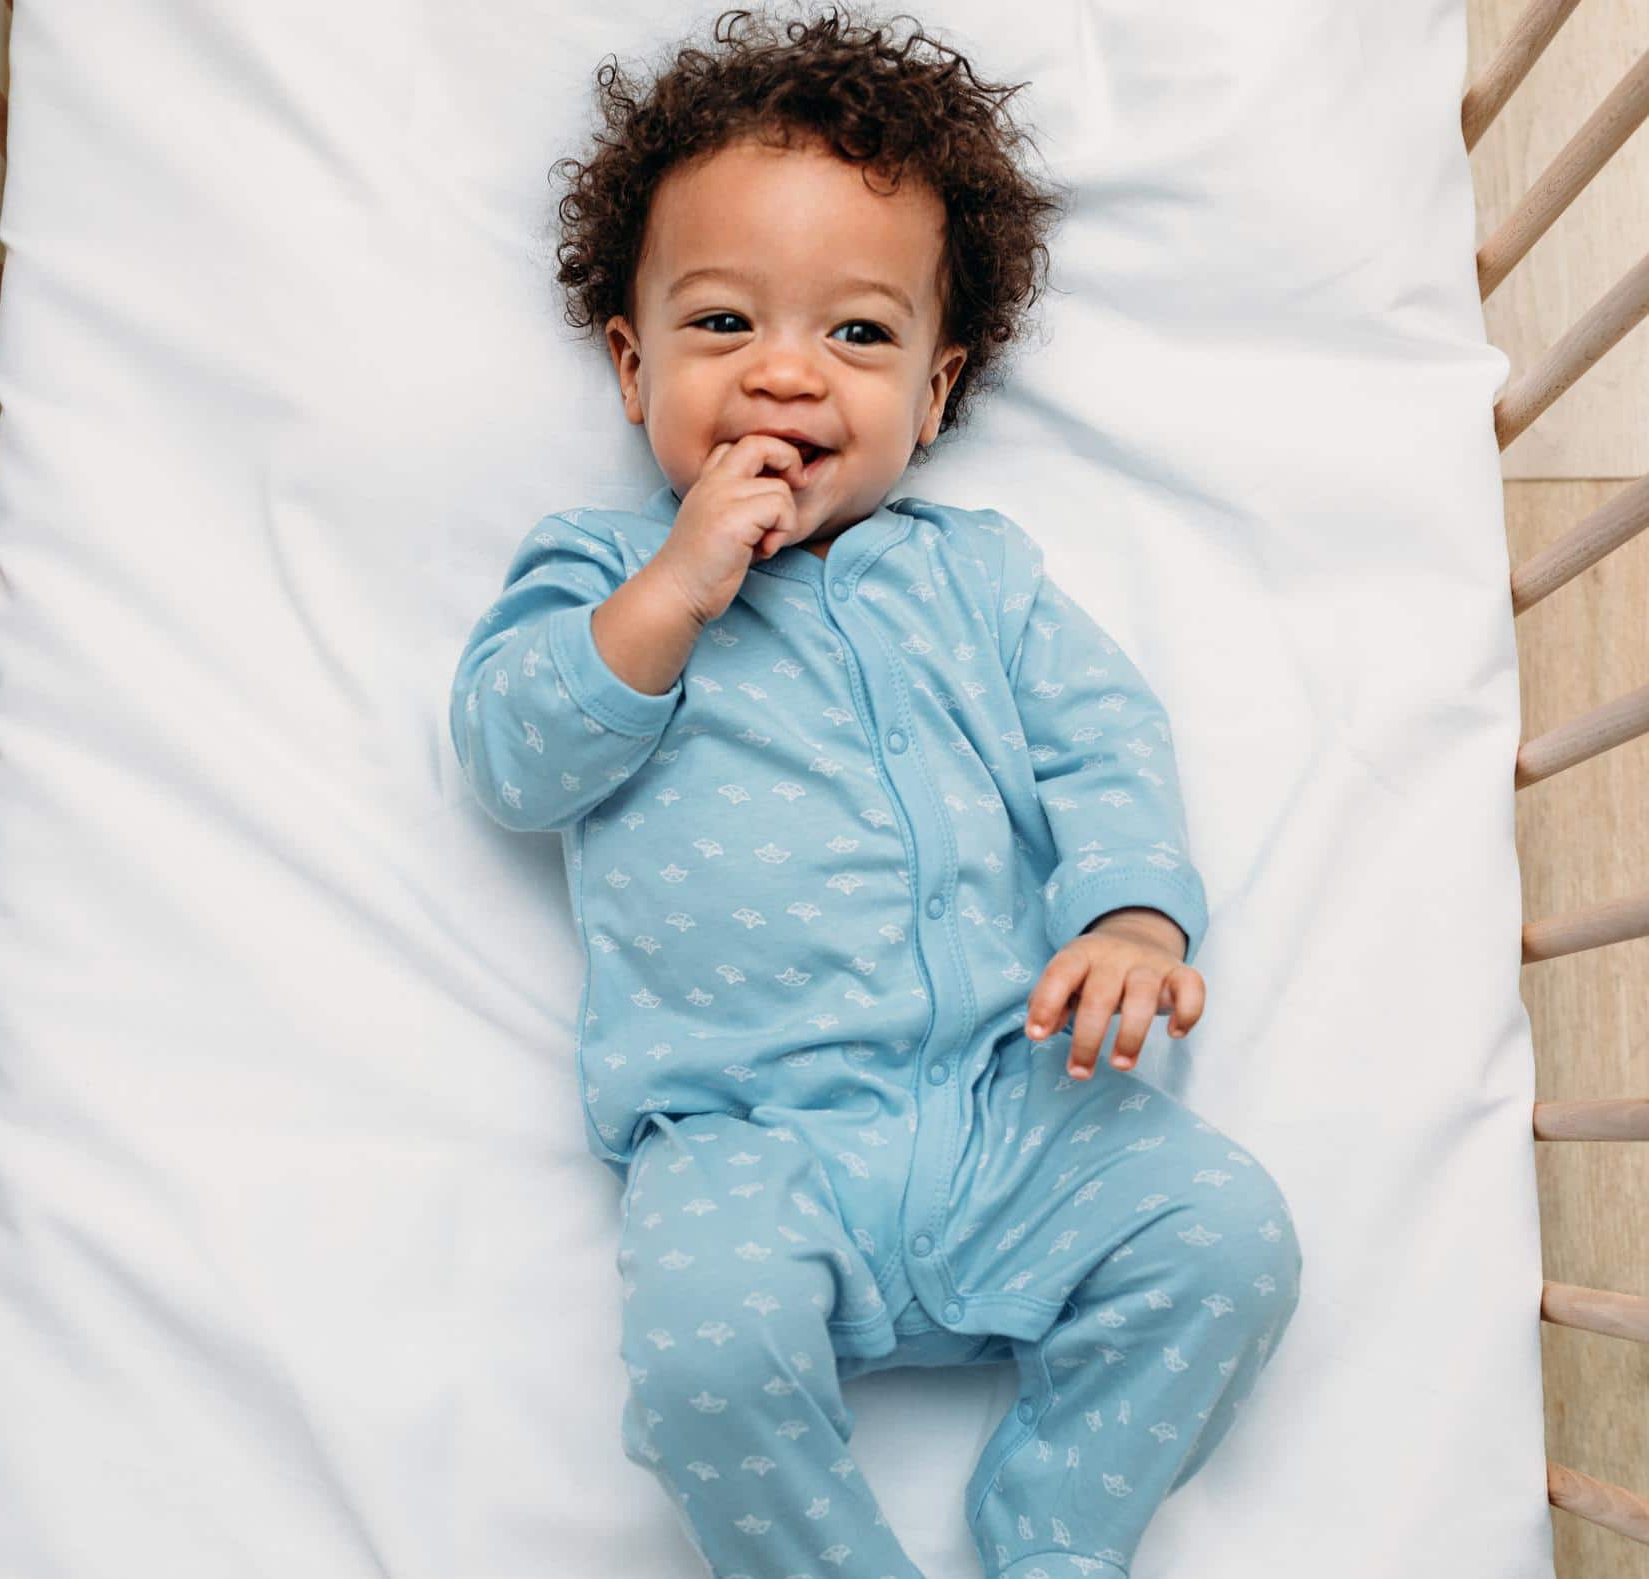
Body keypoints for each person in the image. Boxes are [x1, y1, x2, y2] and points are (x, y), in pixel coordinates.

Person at [448, 7, 1303, 1575]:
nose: (784, 373)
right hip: (745, 1133)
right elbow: (515, 758)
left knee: (1228, 1243)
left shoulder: (978, 579)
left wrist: (1127, 912)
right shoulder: (596, 573)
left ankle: (1052, 1534)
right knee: (705, 1359)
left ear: (935, 384)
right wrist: (674, 592)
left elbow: (1101, 742)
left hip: (1015, 1099)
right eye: (720, 327)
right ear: (631, 363)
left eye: (855, 336)